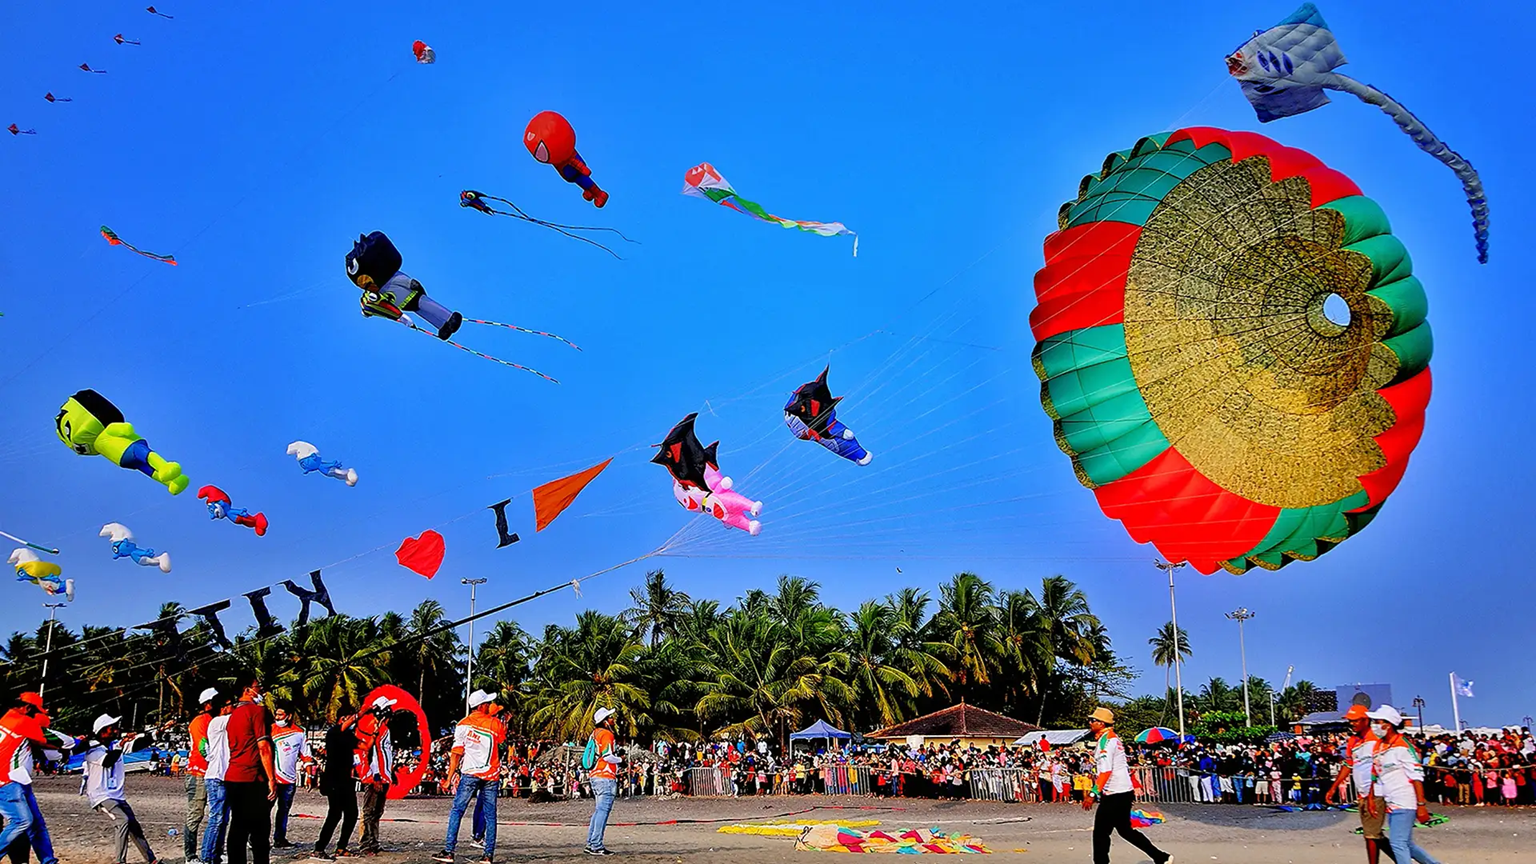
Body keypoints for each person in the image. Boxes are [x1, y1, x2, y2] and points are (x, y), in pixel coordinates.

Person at [1083, 707, 1170, 864]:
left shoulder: (1107, 742)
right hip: (1122, 792)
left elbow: (1106, 771)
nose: (1090, 722)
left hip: (1115, 793)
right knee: (1125, 831)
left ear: (1101, 723)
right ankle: (1161, 857)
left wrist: (1092, 793)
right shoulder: (1112, 738)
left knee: (1101, 832)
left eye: (1092, 720)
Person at [433, 690, 507, 864]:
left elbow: (456, 753)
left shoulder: (462, 725)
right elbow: (502, 740)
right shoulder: (494, 723)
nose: (489, 706)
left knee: (457, 811)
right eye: (487, 704)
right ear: (481, 706)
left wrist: (449, 778)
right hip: (491, 775)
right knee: (490, 815)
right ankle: (488, 855)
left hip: (470, 773)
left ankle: (449, 851)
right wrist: (496, 717)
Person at [0, 692, 71, 864]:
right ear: (27, 708)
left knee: (36, 825)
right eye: (36, 711)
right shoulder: (22, 722)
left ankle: (48, 861)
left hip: (18, 781)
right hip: (8, 782)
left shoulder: (7, 719)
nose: (38, 716)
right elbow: (58, 741)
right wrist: (78, 743)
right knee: (22, 821)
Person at [1368, 706, 1442, 864]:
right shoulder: (1379, 746)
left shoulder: (1403, 746)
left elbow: (1416, 777)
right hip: (1390, 800)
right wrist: (1373, 799)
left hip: (1404, 800)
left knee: (1398, 843)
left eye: (1377, 721)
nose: (1374, 725)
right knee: (1407, 844)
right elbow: (1378, 775)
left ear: (1388, 724)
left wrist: (1421, 805)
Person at [82, 714, 158, 864]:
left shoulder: (115, 746)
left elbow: (139, 744)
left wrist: (158, 732)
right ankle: (120, 861)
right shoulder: (93, 751)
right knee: (122, 820)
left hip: (117, 796)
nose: (116, 730)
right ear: (102, 732)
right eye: (112, 728)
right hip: (101, 796)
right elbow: (108, 761)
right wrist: (121, 744)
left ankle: (152, 860)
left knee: (134, 827)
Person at [1327, 705, 1395, 864]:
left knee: (1371, 835)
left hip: (1377, 792)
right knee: (1373, 834)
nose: (1352, 724)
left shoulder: (1377, 738)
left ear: (1366, 720)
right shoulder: (1353, 741)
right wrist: (1333, 787)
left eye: (1355, 721)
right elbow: (1349, 764)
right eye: (1350, 721)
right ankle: (1402, 858)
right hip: (1362, 793)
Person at [223, 671, 278, 864]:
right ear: (247, 690)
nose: (260, 690)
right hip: (251, 777)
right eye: (257, 687)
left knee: (238, 826)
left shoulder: (233, 715)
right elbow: (264, 747)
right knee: (260, 829)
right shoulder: (256, 711)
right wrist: (271, 779)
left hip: (233, 776)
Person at [311, 711, 360, 861]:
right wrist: (361, 712)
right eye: (349, 718)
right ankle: (319, 848)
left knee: (352, 814)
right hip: (334, 779)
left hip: (346, 779)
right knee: (335, 814)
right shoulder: (333, 732)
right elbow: (345, 726)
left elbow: (364, 745)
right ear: (341, 719)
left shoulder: (349, 735)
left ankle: (341, 847)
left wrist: (375, 730)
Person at [356, 695, 398, 856]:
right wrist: (376, 776)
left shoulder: (385, 729)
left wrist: (390, 772)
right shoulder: (374, 728)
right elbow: (370, 754)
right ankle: (365, 844)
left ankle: (374, 842)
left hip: (384, 775)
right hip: (375, 777)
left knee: (377, 812)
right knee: (369, 811)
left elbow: (385, 754)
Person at [270, 704, 314, 849]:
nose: (277, 718)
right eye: (276, 714)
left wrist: (309, 775)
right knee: (264, 811)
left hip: (289, 780)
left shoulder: (300, 732)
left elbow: (306, 755)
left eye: (280, 715)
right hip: (272, 778)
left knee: (284, 810)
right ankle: (256, 839)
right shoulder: (270, 729)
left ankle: (279, 839)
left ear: (289, 716)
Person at [186, 687, 219, 864]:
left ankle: (214, 852)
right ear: (208, 704)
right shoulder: (200, 721)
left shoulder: (213, 720)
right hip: (198, 772)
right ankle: (190, 855)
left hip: (210, 773)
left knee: (217, 815)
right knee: (195, 815)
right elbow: (203, 747)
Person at [584, 706, 622, 856]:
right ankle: (596, 845)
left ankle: (591, 843)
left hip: (595, 775)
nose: (613, 719)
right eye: (610, 717)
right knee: (603, 811)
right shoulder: (606, 734)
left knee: (598, 811)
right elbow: (607, 756)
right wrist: (621, 760)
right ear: (605, 721)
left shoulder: (594, 734)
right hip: (605, 776)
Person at [202, 698, 235, 864]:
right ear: (223, 707)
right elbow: (239, 716)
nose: (233, 707)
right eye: (230, 704)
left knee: (224, 820)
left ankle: (216, 855)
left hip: (225, 777)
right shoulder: (217, 722)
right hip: (216, 776)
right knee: (216, 819)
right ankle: (207, 857)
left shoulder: (225, 725)